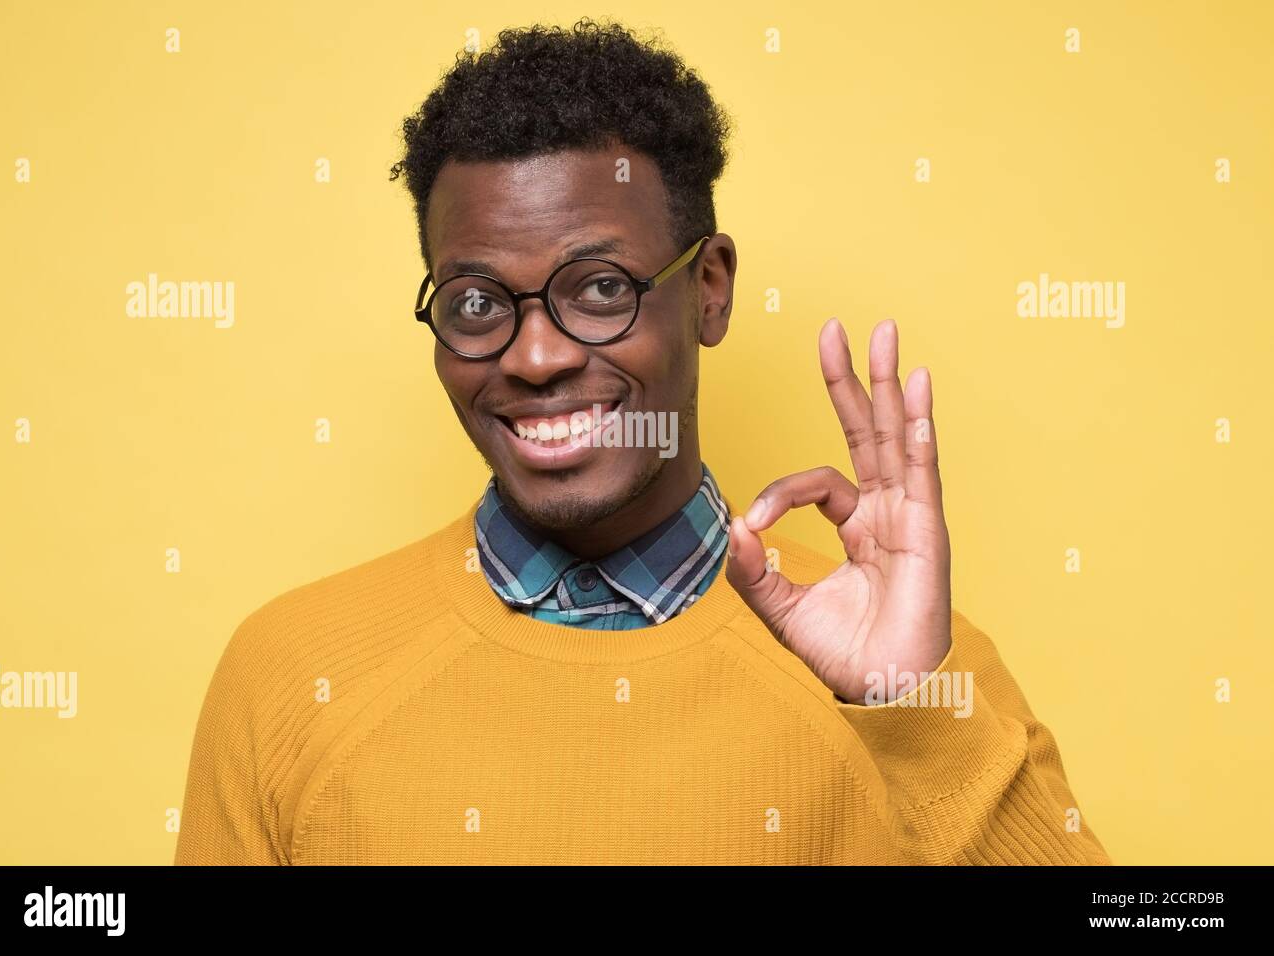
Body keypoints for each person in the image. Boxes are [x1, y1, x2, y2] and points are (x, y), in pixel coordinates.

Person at [174, 18, 1110, 865]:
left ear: (709, 287)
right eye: (475, 304)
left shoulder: (918, 672)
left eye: (599, 289)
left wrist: (910, 713)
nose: (535, 357)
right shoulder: (291, 676)